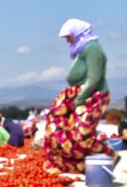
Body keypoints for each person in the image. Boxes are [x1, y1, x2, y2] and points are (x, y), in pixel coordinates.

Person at [42, 18, 115, 173]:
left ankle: (107, 154)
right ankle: (58, 164)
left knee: (81, 138)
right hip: (76, 94)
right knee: (56, 128)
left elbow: (94, 77)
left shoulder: (93, 48)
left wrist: (80, 99)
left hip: (92, 95)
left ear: (77, 33)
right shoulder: (83, 49)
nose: (67, 41)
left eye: (69, 36)